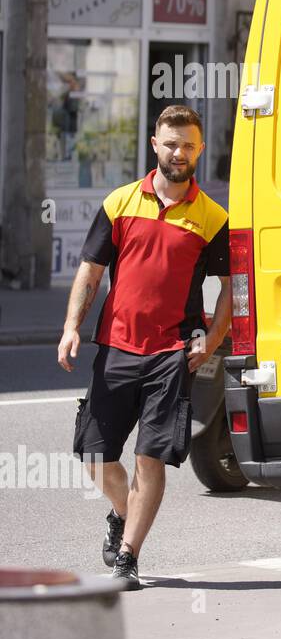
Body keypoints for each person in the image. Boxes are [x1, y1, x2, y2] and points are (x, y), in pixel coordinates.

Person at [58, 105, 232, 590]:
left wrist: (213, 339)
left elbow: (233, 285)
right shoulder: (119, 203)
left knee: (149, 457)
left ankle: (128, 557)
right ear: (155, 144)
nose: (180, 153)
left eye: (189, 145)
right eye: (171, 143)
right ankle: (122, 512)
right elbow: (90, 272)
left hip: (171, 353)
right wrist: (72, 326)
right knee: (94, 454)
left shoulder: (212, 218)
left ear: (199, 149)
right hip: (115, 346)